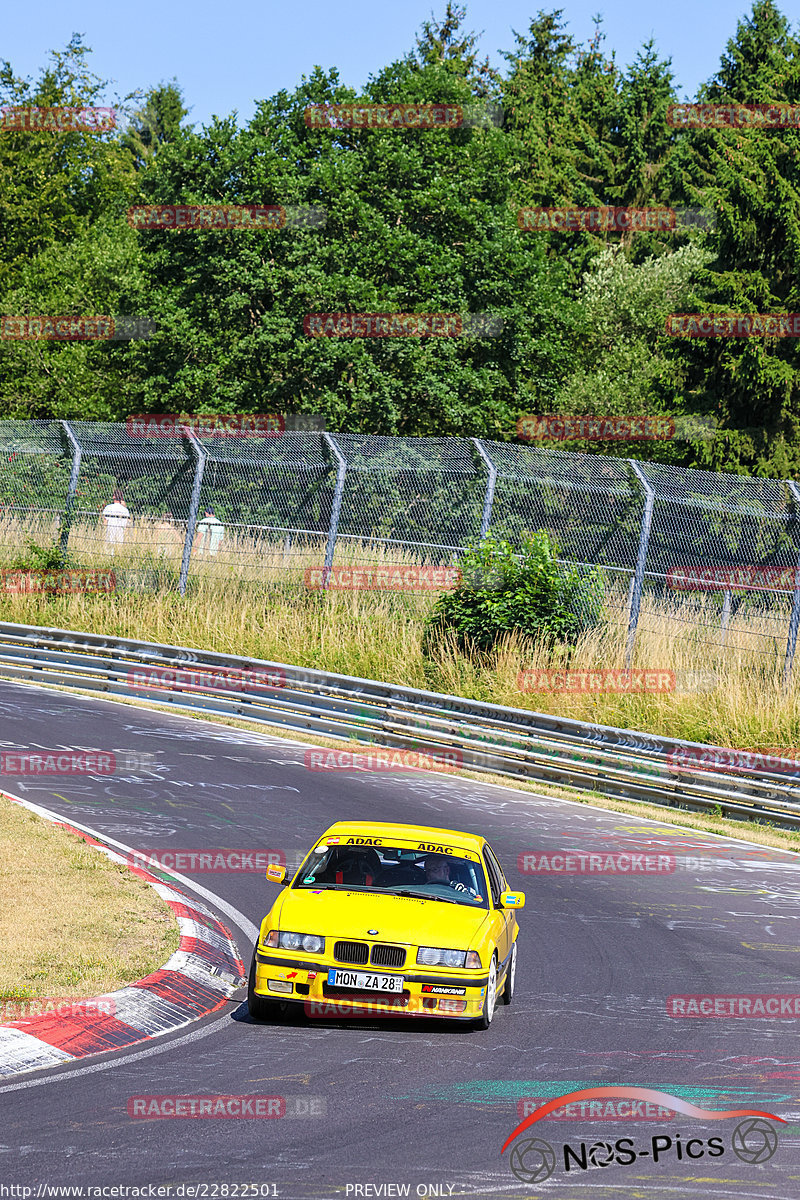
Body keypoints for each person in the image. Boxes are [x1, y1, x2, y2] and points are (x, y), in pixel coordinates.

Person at [101, 489, 130, 555]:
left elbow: (105, 522)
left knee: (109, 550)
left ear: (113, 497)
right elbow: (127, 524)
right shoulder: (125, 510)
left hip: (110, 531)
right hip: (120, 532)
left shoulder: (108, 507)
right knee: (118, 549)